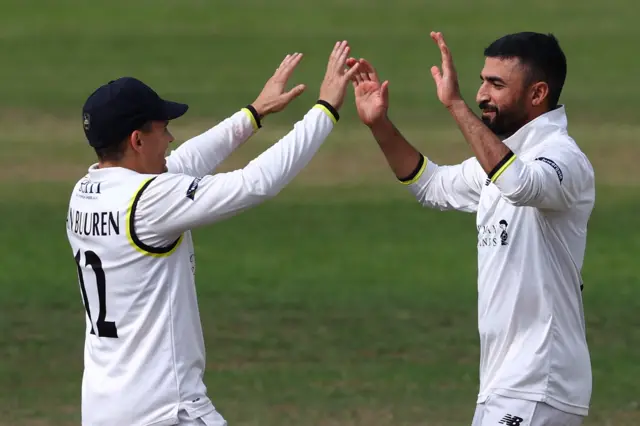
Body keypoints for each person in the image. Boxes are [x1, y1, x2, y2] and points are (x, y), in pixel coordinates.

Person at [66, 40, 361, 426]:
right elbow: (254, 183)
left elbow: (183, 165)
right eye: (163, 129)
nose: (170, 139)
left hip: (104, 410)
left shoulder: (85, 194)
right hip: (166, 412)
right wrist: (325, 111)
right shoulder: (149, 201)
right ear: (137, 140)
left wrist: (253, 114)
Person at [347, 31, 595, 426]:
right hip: (503, 383)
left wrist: (454, 105)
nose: (482, 94)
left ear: (537, 93)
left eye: (496, 85)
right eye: (482, 81)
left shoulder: (563, 158)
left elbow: (520, 184)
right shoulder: (502, 158)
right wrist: (380, 125)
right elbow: (430, 185)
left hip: (540, 381)